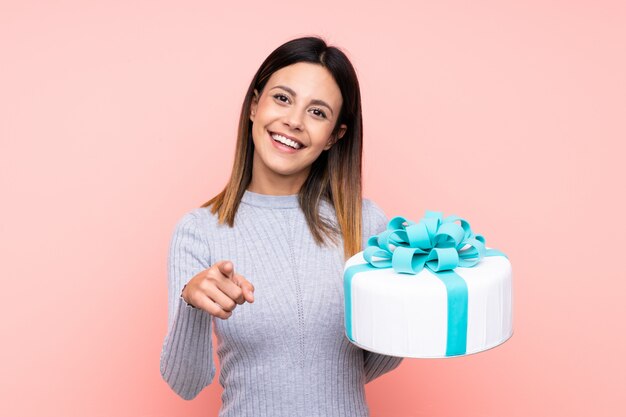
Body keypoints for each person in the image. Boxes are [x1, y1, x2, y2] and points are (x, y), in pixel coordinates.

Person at [159, 35, 403, 416]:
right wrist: (191, 302)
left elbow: (380, 358)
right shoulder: (199, 231)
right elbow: (185, 384)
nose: (293, 120)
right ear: (255, 105)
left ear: (334, 137)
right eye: (283, 98)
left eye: (317, 112)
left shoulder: (367, 224)